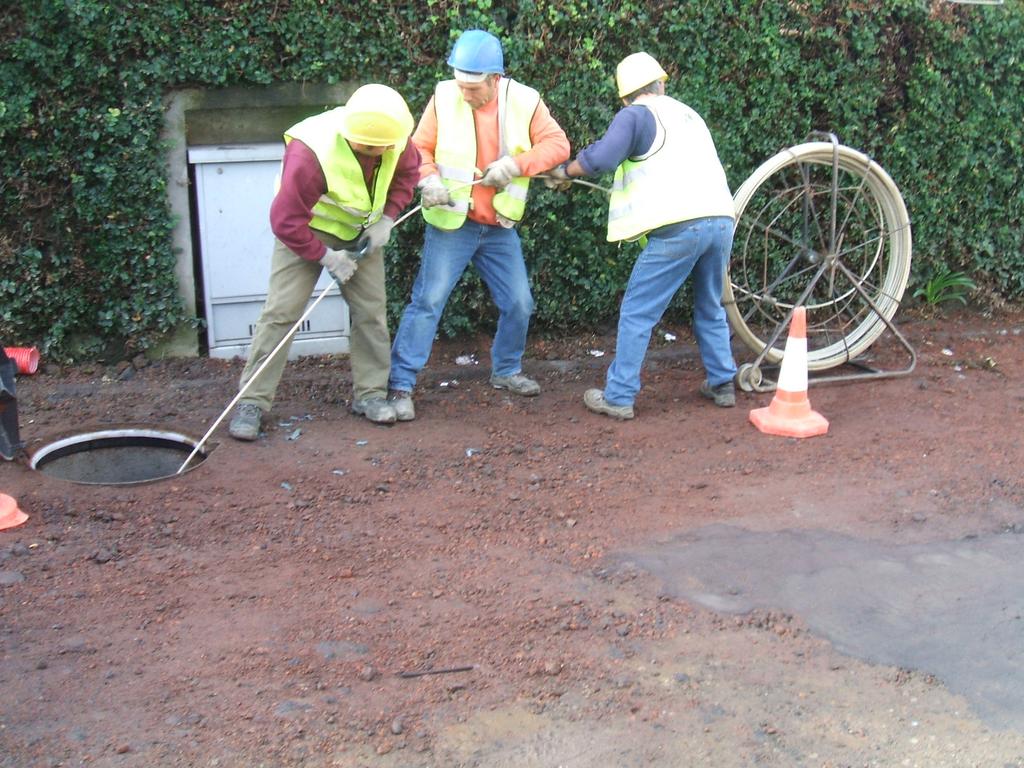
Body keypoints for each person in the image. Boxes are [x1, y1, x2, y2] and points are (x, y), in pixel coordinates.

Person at [385, 29, 571, 421]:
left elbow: (558, 145)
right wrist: (429, 180)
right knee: (428, 301)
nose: (465, 95)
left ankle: (505, 371)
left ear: (495, 79)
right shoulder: (444, 95)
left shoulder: (525, 101)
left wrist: (516, 164)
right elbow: (418, 149)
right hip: (453, 222)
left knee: (519, 302)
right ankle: (400, 385)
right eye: (460, 85)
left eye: (472, 88)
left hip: (499, 226)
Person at [546, 52, 737, 420]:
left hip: (680, 227)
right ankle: (723, 381)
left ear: (624, 96)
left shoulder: (635, 114)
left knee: (637, 311)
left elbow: (601, 159)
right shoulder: (688, 114)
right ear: (661, 83)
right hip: (721, 220)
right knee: (710, 304)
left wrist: (565, 172)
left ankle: (619, 396)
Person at [228, 84, 420, 441]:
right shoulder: (310, 153)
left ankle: (371, 395)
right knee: (281, 313)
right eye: (371, 147)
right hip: (306, 232)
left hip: (362, 233)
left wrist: (388, 217)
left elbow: (408, 175)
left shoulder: (395, 136)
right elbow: (285, 221)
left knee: (371, 314)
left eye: (387, 146)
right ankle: (251, 402)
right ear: (354, 137)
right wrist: (326, 256)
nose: (382, 152)